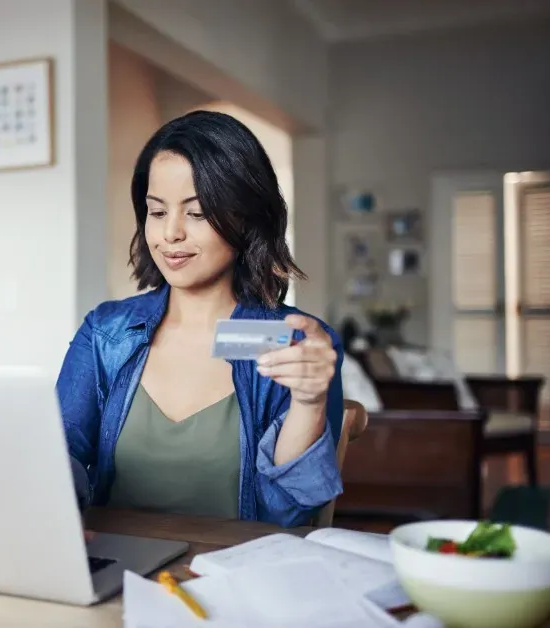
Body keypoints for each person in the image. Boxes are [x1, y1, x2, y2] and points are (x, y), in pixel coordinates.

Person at [56, 110, 344, 528]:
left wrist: (309, 401)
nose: (171, 233)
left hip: (234, 578)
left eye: (197, 212)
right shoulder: (107, 333)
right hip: (115, 574)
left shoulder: (292, 342)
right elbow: (59, 460)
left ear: (246, 216)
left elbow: (290, 516)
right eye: (157, 212)